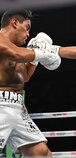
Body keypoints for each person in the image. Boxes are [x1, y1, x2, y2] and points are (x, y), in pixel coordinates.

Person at [0, 8, 61, 156]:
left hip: (18, 108)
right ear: (14, 22)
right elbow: (15, 55)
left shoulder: (19, 50)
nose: (28, 34)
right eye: (27, 28)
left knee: (42, 154)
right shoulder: (8, 46)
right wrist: (41, 53)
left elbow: (24, 76)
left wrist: (35, 59)